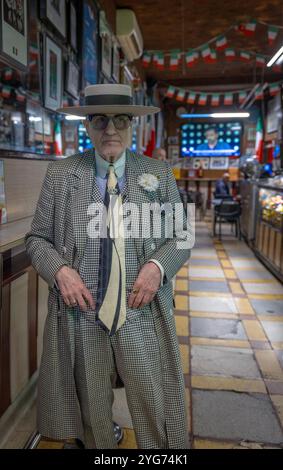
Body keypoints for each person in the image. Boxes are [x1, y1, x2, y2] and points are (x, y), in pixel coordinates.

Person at [25, 84, 190, 449]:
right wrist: (60, 271)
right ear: (87, 126)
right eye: (100, 121)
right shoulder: (61, 174)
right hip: (81, 315)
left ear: (132, 125)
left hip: (140, 311)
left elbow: (182, 235)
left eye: (119, 120)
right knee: (93, 414)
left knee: (155, 406)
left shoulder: (158, 174)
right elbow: (36, 239)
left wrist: (157, 267)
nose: (110, 130)